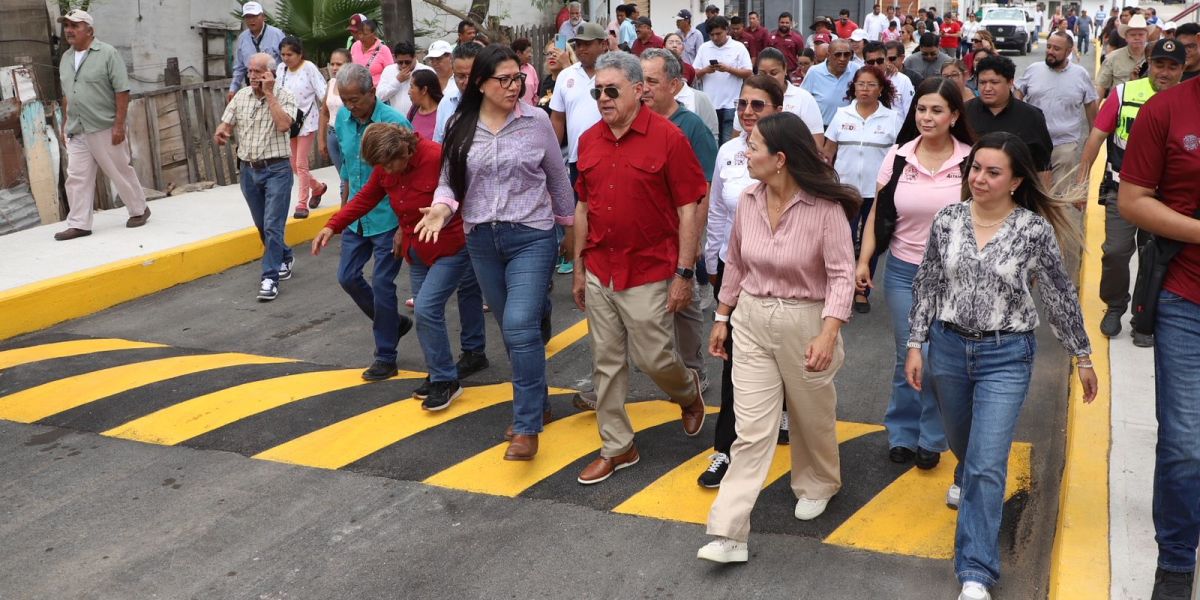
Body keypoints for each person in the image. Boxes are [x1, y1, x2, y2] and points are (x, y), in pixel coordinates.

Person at [908, 131, 1096, 600]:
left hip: (1006, 355)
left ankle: (975, 571)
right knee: (966, 449)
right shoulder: (948, 220)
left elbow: (1057, 294)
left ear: (1015, 181)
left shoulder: (1033, 230)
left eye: (994, 172)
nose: (981, 179)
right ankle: (973, 494)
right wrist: (915, 343)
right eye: (976, 169)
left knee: (987, 463)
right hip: (947, 351)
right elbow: (927, 282)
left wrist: (1082, 354)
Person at [697, 111, 858, 562]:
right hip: (750, 319)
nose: (743, 153)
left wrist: (829, 334)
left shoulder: (825, 209)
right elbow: (737, 263)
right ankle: (728, 533)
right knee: (750, 430)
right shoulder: (748, 199)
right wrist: (722, 317)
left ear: (781, 159)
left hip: (807, 320)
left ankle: (819, 482)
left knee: (810, 415)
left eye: (752, 147)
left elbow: (843, 275)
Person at [418, 44, 574, 460]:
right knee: (513, 329)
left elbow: (558, 181)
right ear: (482, 84)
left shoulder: (537, 120)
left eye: (518, 78)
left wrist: (571, 232)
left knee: (520, 325)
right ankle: (538, 399)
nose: (514, 86)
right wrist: (440, 209)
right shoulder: (459, 124)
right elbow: (449, 182)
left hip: (532, 235)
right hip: (482, 239)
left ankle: (526, 426)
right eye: (504, 79)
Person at [570, 51, 708, 485]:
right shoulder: (589, 138)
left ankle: (688, 393)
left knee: (654, 359)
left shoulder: (669, 138)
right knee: (605, 362)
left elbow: (690, 207)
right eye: (597, 91)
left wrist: (684, 274)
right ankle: (618, 446)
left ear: (638, 90)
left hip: (649, 270)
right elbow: (582, 206)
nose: (604, 98)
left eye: (612, 90)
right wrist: (577, 268)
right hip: (599, 268)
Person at [858, 77, 973, 469]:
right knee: (909, 353)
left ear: (954, 116)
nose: (927, 116)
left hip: (954, 278)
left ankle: (933, 437)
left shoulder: (971, 160)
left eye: (937, 110)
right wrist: (863, 260)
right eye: (921, 109)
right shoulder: (899, 156)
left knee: (940, 359)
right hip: (904, 272)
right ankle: (903, 433)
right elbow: (878, 212)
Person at [1118, 57, 1200, 600]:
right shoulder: (1166, 109)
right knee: (1185, 443)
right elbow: (1133, 201)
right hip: (1185, 299)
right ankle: (1175, 562)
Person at [699, 75, 791, 487]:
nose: (748, 112)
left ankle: (793, 427)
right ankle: (725, 450)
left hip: (785, 279)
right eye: (742, 105)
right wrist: (712, 258)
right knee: (733, 362)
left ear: (778, 111)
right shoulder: (727, 153)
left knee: (790, 358)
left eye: (758, 105)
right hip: (735, 273)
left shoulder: (794, 155)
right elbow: (717, 209)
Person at [1078, 39, 1186, 348]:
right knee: (1115, 251)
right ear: (1148, 64)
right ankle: (1114, 305)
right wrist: (1082, 183)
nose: (1164, 73)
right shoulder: (1124, 94)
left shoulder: (1188, 101)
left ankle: (1143, 317)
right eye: (1159, 65)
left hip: (1166, 199)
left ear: (1182, 69)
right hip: (1121, 190)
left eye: (1172, 67)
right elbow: (1097, 137)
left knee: (1153, 258)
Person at [641, 48, 717, 395]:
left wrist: (696, 240)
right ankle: (604, 383)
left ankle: (694, 371)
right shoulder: (635, 120)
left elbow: (703, 189)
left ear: (673, 85)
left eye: (651, 81)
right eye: (639, 80)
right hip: (642, 235)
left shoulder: (691, 127)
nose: (643, 88)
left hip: (678, 234)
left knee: (683, 305)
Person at [55, 9, 150, 241]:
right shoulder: (66, 58)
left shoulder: (107, 53)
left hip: (104, 125)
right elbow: (68, 93)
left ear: (89, 30)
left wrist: (119, 125)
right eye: (67, 25)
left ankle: (139, 209)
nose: (69, 30)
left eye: (75, 26)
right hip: (77, 128)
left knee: (119, 171)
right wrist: (65, 122)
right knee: (76, 177)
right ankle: (79, 223)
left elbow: (122, 90)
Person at [213, 52, 297, 301]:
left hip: (277, 170)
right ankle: (285, 255)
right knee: (263, 225)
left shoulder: (285, 96)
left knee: (272, 225)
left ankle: (269, 278)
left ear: (270, 74)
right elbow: (226, 124)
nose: (252, 76)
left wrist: (270, 94)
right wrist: (222, 132)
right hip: (249, 170)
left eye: (258, 72)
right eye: (250, 71)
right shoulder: (241, 96)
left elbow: (284, 125)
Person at [824, 65, 899, 315]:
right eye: (860, 84)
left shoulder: (892, 118)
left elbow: (898, 157)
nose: (864, 89)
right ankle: (841, 288)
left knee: (871, 243)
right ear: (853, 87)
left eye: (870, 85)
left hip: (877, 192)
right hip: (846, 191)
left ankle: (861, 291)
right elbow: (828, 152)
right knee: (842, 241)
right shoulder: (842, 114)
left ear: (881, 89)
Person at [1015, 31, 1099, 186]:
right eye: (1048, 47)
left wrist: (1094, 138)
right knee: (1033, 190)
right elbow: (1018, 93)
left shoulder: (1080, 74)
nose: (1050, 52)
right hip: (1033, 143)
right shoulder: (1033, 69)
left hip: (1064, 143)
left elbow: (1090, 106)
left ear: (1068, 52)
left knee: (1058, 194)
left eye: (1056, 49)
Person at [965, 55, 1054, 188]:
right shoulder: (965, 112)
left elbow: (1043, 166)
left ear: (1010, 82)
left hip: (1020, 196)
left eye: (994, 82)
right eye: (982, 82)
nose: (987, 88)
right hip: (973, 192)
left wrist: (1042, 203)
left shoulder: (1032, 116)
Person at [275, 36, 328, 220]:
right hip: (289, 121)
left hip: (307, 121)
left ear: (300, 54)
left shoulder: (309, 68)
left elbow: (323, 93)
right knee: (293, 164)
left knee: (300, 163)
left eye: (289, 54)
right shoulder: (280, 69)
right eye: (282, 54)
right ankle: (318, 187)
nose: (286, 58)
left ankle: (301, 203)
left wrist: (329, 115)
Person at [551, 22, 607, 179]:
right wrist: (552, 157)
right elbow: (557, 119)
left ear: (603, 44)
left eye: (587, 44)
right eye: (578, 44)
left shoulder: (615, 73)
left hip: (610, 157)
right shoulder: (565, 75)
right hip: (577, 158)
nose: (581, 49)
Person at [693, 17, 753, 145]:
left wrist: (729, 69)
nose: (715, 38)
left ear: (727, 30)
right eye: (712, 35)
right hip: (709, 104)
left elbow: (748, 73)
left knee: (728, 143)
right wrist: (706, 70)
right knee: (710, 143)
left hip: (731, 105)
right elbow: (694, 74)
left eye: (718, 34)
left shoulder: (738, 47)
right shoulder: (704, 48)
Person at [755, 48, 824, 146]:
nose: (768, 78)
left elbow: (817, 142)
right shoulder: (751, 97)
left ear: (785, 69)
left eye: (774, 73)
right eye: (762, 73)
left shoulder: (804, 98)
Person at [227, 2, 285, 103]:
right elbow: (239, 67)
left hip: (275, 85)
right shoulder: (242, 38)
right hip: (253, 87)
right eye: (248, 17)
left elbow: (286, 61)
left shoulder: (277, 34)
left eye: (254, 16)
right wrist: (233, 88)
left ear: (263, 17)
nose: (251, 20)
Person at [802, 38, 861, 127]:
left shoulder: (856, 69)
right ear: (828, 55)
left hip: (847, 127)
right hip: (822, 127)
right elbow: (803, 98)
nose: (842, 58)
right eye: (837, 54)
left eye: (846, 54)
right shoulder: (814, 72)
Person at [433, 42, 482, 143]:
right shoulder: (447, 102)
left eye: (472, 75)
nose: (467, 82)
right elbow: (438, 144)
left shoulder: (497, 103)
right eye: (461, 76)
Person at [318, 48, 350, 199]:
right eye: (332, 64)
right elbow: (324, 112)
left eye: (339, 64)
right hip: (332, 135)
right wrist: (321, 140)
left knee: (348, 179)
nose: (335, 68)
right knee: (342, 177)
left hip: (349, 135)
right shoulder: (331, 83)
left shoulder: (354, 84)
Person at [1099, 14, 1151, 97]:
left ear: (1147, 37)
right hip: (1118, 106)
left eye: (1141, 35)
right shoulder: (1112, 58)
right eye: (1133, 35)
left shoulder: (1155, 58)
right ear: (1126, 38)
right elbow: (1101, 87)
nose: (1137, 38)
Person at [377, 42, 434, 116]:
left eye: (407, 62)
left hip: (420, 117)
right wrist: (397, 81)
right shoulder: (388, 70)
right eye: (400, 62)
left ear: (414, 57)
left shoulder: (427, 71)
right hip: (396, 120)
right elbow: (379, 97)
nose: (404, 66)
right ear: (395, 58)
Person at [871, 41, 915, 121]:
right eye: (885, 59)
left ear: (902, 58)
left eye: (891, 59)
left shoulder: (904, 80)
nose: (888, 62)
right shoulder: (865, 78)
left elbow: (909, 111)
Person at [350, 18, 393, 86]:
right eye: (359, 33)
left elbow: (391, 73)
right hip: (359, 91)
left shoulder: (383, 50)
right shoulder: (355, 46)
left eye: (365, 34)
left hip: (377, 92)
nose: (361, 37)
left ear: (374, 34)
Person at [538, 41, 574, 115]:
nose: (551, 56)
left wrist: (566, 65)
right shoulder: (545, 80)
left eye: (556, 54)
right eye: (549, 54)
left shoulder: (573, 79)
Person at [405, 70, 442, 138]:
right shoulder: (413, 110)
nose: (409, 92)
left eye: (412, 87)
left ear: (424, 90)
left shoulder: (442, 113)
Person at [511, 38, 540, 106]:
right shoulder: (508, 69)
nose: (531, 55)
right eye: (528, 52)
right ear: (518, 53)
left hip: (530, 111)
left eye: (531, 52)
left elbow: (536, 92)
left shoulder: (531, 69)